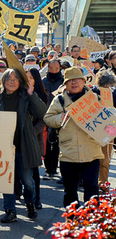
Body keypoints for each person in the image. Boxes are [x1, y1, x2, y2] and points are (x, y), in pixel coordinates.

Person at [0, 68, 47, 223]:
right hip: (4, 147)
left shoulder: (25, 96)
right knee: (6, 181)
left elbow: (41, 113)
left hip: (24, 146)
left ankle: (30, 203)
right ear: (3, 81)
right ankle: (10, 211)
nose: (12, 81)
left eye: (16, 79)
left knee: (28, 181)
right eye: (9, 79)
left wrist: (32, 93)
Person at [44, 67, 104, 208]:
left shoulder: (95, 98)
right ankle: (72, 221)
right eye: (70, 80)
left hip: (92, 152)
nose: (74, 83)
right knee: (70, 191)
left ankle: (92, 222)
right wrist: (61, 117)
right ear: (65, 84)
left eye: (77, 79)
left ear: (84, 81)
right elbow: (48, 118)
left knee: (92, 189)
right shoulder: (60, 100)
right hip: (68, 153)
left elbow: (108, 118)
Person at [25, 68, 48, 210]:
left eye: (31, 78)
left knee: (33, 172)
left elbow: (43, 119)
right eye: (26, 77)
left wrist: (31, 132)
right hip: (19, 139)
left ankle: (36, 199)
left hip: (34, 138)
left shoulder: (43, 96)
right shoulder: (19, 94)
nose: (28, 80)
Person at [91, 69, 116, 192]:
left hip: (95, 127)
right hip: (109, 129)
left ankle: (100, 183)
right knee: (104, 158)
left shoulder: (93, 91)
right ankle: (102, 183)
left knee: (99, 157)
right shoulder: (95, 91)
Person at [42, 59, 63, 180]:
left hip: (59, 115)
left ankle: (54, 169)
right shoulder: (44, 81)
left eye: (56, 69)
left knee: (57, 144)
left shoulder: (63, 81)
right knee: (47, 143)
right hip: (45, 115)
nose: (54, 71)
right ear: (47, 68)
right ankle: (48, 169)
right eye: (51, 68)